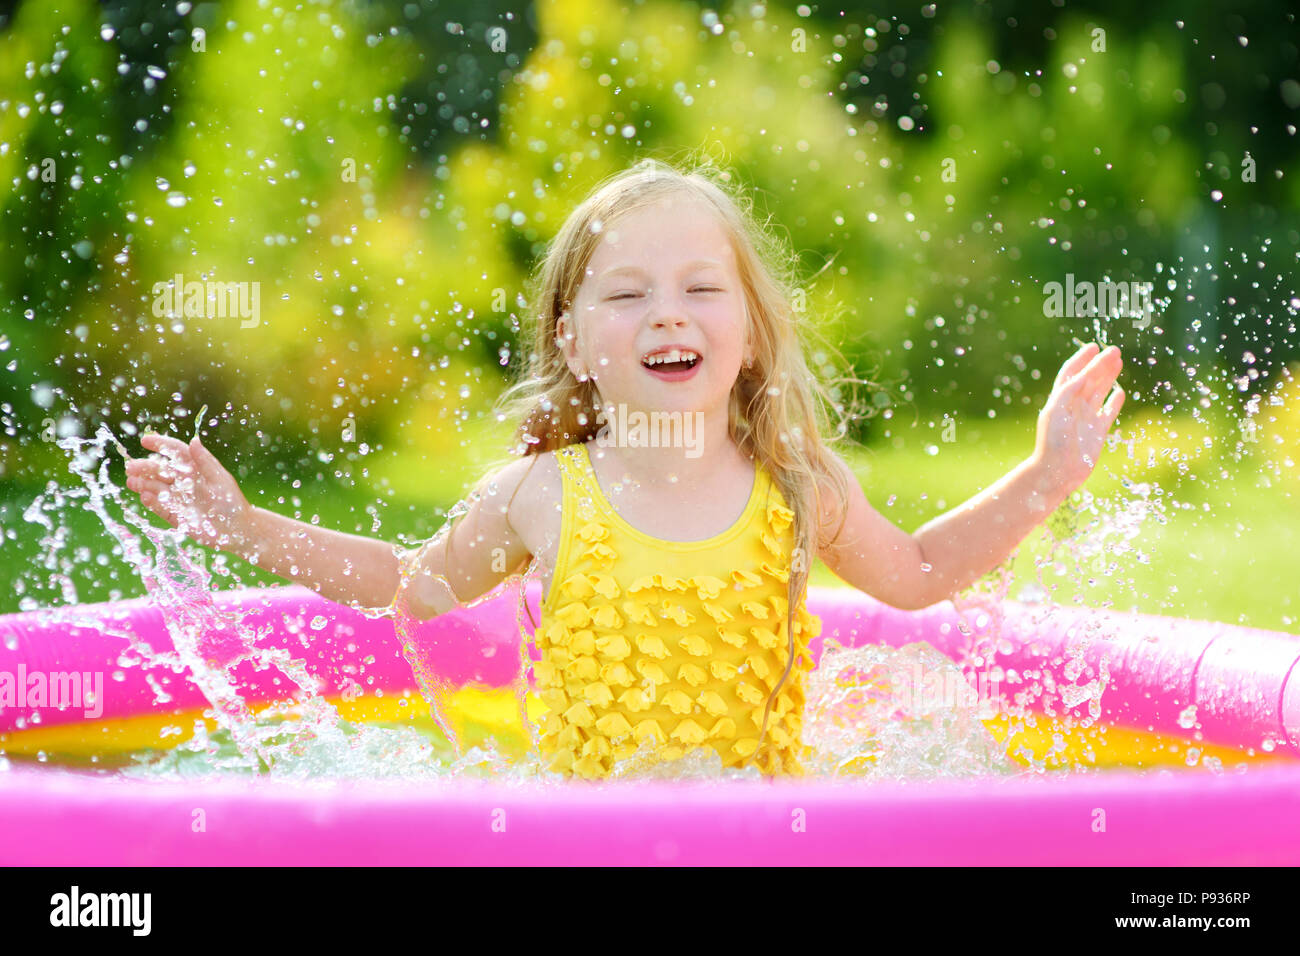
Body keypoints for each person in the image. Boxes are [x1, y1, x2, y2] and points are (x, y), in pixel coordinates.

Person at [125, 158, 1124, 780]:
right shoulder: (543, 492)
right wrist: (242, 523)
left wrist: (1043, 476)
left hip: (762, 839)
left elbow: (913, 572)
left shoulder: (796, 486)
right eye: (627, 294)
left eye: (699, 287)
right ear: (572, 339)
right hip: (581, 840)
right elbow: (406, 584)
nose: (667, 313)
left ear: (747, 331)